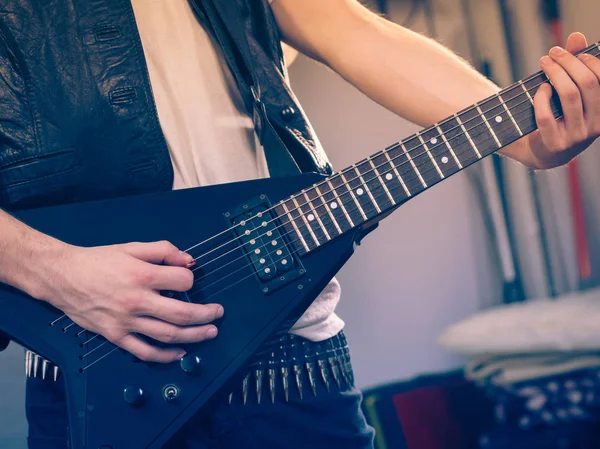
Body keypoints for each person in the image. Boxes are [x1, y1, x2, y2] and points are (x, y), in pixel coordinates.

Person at [0, 0, 598, 448]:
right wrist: (58, 272)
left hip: (295, 361)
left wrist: (525, 133)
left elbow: (348, 27)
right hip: (94, 374)